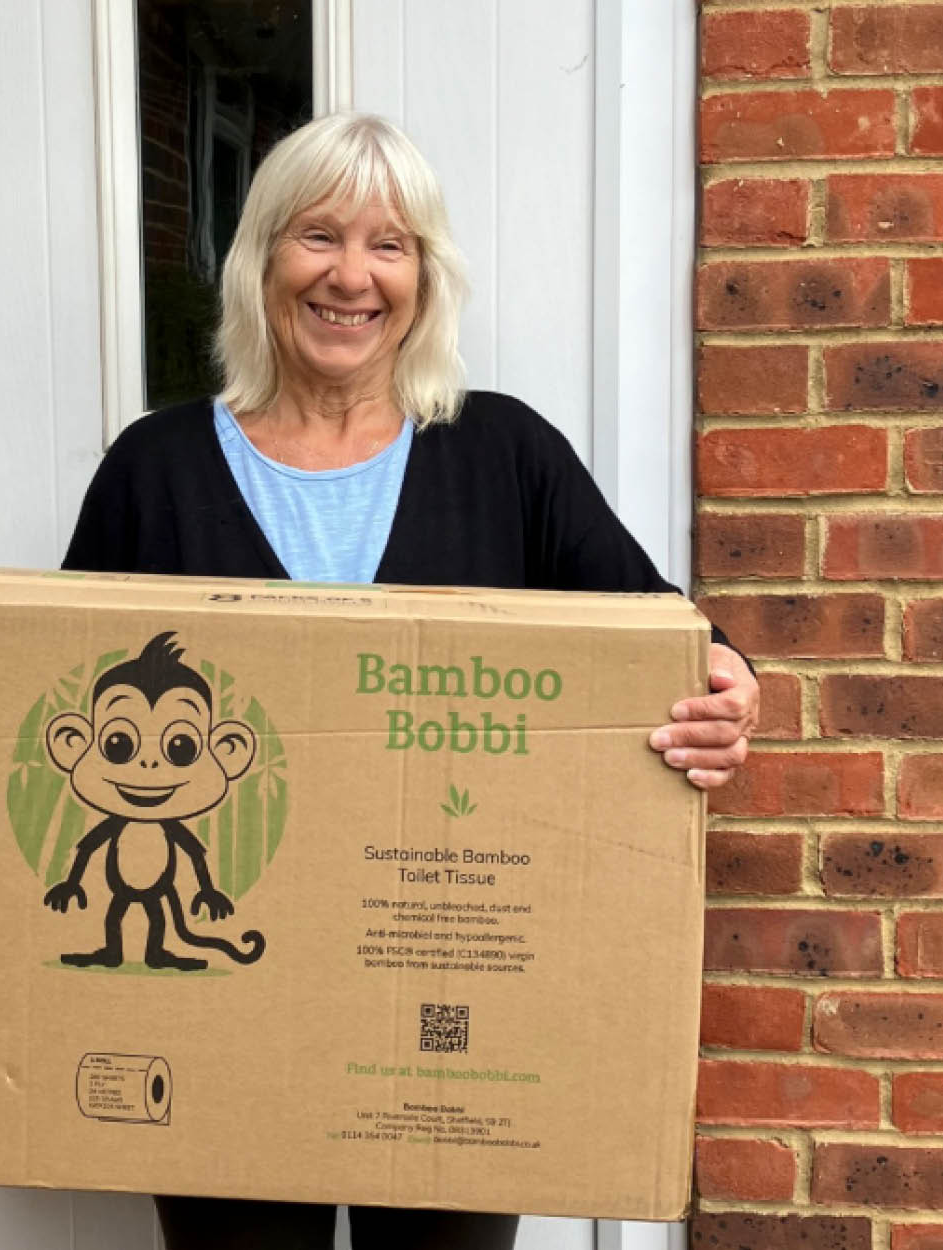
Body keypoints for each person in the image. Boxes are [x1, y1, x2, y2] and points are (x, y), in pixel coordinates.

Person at [64, 112, 758, 1250]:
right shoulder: (156, 468)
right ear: (259, 260)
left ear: (425, 277)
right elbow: (62, 702)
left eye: (389, 245)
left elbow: (667, 639)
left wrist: (729, 682)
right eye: (317, 235)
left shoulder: (503, 455)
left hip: (448, 1008)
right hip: (220, 1010)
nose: (350, 275)